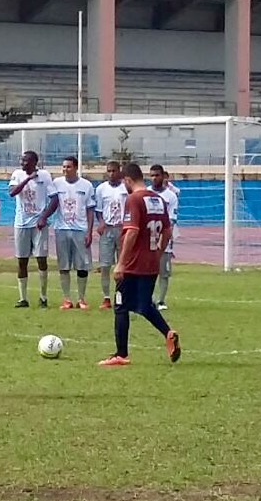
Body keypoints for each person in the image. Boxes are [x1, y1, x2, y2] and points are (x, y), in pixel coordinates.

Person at [99, 162, 181, 367]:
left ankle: (121, 354)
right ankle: (168, 333)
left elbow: (132, 231)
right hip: (151, 263)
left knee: (120, 305)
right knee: (144, 305)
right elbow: (168, 231)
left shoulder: (134, 199)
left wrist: (121, 264)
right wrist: (158, 252)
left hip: (133, 264)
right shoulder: (159, 199)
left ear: (127, 180)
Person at [39, 156, 95, 310]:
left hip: (80, 229)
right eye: (63, 167)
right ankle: (67, 299)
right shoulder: (56, 183)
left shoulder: (86, 185)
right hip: (61, 229)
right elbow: (51, 202)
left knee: (82, 266)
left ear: (76, 168)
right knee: (64, 266)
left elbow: (90, 209)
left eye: (68, 167)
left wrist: (90, 231)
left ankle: (82, 299)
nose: (65, 170)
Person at [8, 150, 54, 308]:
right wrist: (28, 179)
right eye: (22, 161)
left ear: (35, 162)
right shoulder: (18, 175)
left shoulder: (45, 176)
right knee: (22, 261)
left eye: (26, 161)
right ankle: (23, 298)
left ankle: (43, 296)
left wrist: (44, 217)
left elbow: (54, 199)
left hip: (38, 224)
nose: (23, 164)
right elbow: (12, 193)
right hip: (21, 223)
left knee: (41, 259)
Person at [94, 161, 128, 309]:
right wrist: (101, 222)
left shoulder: (126, 188)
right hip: (107, 229)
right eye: (109, 171)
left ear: (119, 172)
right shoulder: (101, 189)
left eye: (114, 171)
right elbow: (98, 209)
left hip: (122, 229)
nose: (111, 174)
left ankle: (121, 295)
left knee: (123, 265)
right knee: (105, 265)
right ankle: (106, 297)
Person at [147, 165, 179, 311]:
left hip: (163, 239)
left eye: (157, 175)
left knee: (163, 271)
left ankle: (161, 300)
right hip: (147, 240)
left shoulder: (171, 196)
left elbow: (171, 220)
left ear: (163, 176)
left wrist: (165, 238)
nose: (154, 178)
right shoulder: (145, 193)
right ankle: (148, 298)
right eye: (152, 175)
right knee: (147, 271)